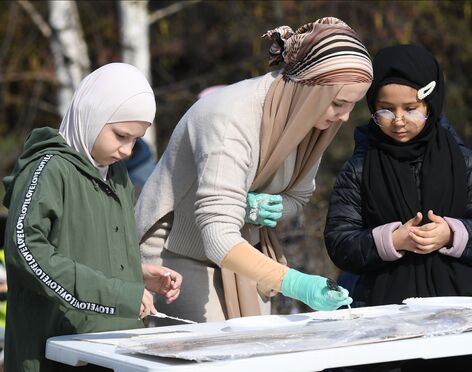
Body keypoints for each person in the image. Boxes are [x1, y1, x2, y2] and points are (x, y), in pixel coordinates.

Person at [135, 17, 373, 322]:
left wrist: (261, 208)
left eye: (352, 105)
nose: (344, 117)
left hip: (244, 250)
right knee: (218, 354)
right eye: (339, 103)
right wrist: (296, 283)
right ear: (310, 89)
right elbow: (219, 235)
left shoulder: (312, 122)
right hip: (176, 252)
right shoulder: (229, 118)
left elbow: (297, 198)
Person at [324, 44, 472, 371]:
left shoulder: (464, 162)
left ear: (431, 103)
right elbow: (340, 242)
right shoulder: (359, 167)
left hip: (459, 319)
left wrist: (452, 233)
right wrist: (392, 240)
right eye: (385, 109)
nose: (398, 121)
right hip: (379, 322)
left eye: (411, 108)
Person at [2, 63, 182, 372]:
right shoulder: (48, 169)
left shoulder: (118, 176)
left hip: (114, 350)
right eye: (120, 135)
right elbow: (25, 252)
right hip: (53, 352)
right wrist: (118, 293)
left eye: (135, 140)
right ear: (92, 114)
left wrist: (135, 275)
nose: (127, 150)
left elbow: (86, 250)